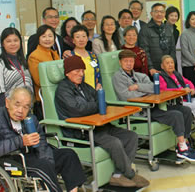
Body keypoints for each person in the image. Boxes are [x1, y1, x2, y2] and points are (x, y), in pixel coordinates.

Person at [55, 56, 149, 188]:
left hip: (99, 126)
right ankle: (130, 174)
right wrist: (95, 105)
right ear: (67, 72)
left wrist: (94, 105)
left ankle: (118, 175)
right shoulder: (63, 90)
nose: (80, 74)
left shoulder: (85, 86)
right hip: (82, 131)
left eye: (82, 71)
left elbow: (102, 101)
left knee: (131, 136)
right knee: (114, 143)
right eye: (77, 71)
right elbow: (77, 110)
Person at [0, 87, 86, 192]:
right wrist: (21, 141)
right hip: (11, 160)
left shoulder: (31, 119)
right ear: (7, 103)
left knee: (68, 155)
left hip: (31, 155)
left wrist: (47, 159)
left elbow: (41, 141)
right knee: (44, 167)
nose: (20, 110)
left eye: (26, 107)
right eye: (17, 104)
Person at [112, 50, 195, 162]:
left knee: (186, 110)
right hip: (140, 111)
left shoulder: (140, 76)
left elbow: (154, 88)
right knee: (176, 115)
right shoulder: (117, 77)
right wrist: (145, 93)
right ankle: (182, 149)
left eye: (131, 61)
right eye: (126, 61)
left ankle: (185, 143)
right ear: (120, 62)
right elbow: (125, 96)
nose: (129, 63)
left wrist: (138, 86)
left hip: (153, 106)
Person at [0, 27, 33, 111]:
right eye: (8, 41)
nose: (13, 44)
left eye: (16, 40)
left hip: (24, 110)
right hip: (6, 112)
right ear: (2, 44)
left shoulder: (23, 62)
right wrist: (7, 113)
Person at [139, 3, 176, 76]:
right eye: (156, 11)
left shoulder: (167, 29)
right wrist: (150, 67)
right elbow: (145, 50)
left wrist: (171, 64)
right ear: (151, 13)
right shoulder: (145, 29)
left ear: (164, 14)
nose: (159, 14)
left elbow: (172, 49)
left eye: (161, 12)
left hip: (167, 69)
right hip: (153, 69)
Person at [28, 25, 60, 104]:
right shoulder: (34, 56)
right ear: (38, 39)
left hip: (58, 94)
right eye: (43, 36)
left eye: (50, 36)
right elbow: (39, 81)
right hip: (44, 98)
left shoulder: (54, 53)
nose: (47, 39)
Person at [70, 25, 101, 90]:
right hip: (80, 93)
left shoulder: (93, 55)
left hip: (95, 91)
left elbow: (98, 73)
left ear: (87, 38)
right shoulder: (71, 56)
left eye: (84, 36)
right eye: (77, 37)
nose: (81, 40)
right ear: (73, 40)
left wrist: (99, 84)